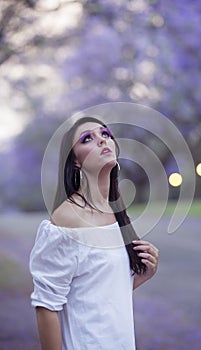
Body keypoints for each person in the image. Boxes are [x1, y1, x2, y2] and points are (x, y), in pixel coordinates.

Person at [29, 116, 159, 350]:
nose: (102, 141)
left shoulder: (115, 212)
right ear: (75, 162)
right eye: (87, 139)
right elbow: (46, 306)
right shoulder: (67, 219)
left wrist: (143, 275)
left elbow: (99, 292)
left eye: (105, 134)